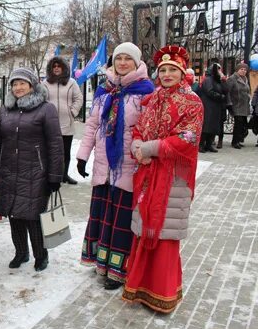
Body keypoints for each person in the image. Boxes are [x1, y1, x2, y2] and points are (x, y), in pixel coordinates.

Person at [122, 45, 203, 313]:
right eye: (163, 70)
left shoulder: (193, 102)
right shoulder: (152, 99)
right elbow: (138, 130)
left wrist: (150, 148)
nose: (167, 74)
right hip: (147, 174)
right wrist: (136, 147)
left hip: (173, 178)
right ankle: (139, 287)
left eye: (173, 70)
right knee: (143, 228)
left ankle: (163, 293)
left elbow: (188, 139)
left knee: (165, 233)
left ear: (183, 73)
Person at [76, 42, 155, 290]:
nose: (122, 63)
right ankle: (102, 262)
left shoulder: (146, 91)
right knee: (102, 214)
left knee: (121, 219)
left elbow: (148, 129)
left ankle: (118, 270)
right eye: (118, 58)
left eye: (127, 59)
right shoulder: (104, 90)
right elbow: (92, 126)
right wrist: (82, 155)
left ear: (137, 63)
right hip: (103, 165)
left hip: (129, 165)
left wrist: (143, 156)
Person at [0, 68, 64, 271]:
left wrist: (55, 176)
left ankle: (41, 255)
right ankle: (21, 252)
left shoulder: (46, 109)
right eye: (14, 84)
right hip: (9, 171)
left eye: (22, 83)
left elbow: (55, 144)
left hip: (36, 173)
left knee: (33, 216)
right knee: (14, 214)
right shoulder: (5, 109)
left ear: (32, 85)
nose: (18, 87)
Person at [44, 56, 83, 185]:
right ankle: (50, 175)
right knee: (50, 151)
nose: (56, 68)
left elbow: (78, 99)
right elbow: (40, 99)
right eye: (54, 66)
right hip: (49, 124)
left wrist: (72, 112)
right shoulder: (45, 83)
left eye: (58, 66)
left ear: (64, 68)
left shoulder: (72, 83)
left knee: (65, 151)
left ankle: (64, 175)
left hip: (67, 123)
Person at [198, 63, 227, 152]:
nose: (220, 71)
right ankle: (202, 145)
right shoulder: (208, 80)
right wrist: (220, 96)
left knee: (213, 126)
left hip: (215, 107)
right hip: (208, 106)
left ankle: (209, 144)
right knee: (207, 126)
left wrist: (224, 81)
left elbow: (225, 90)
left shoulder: (217, 80)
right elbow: (209, 91)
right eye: (218, 70)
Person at [226, 63, 251, 149]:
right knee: (238, 124)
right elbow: (227, 92)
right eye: (242, 69)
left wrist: (248, 97)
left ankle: (239, 140)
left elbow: (247, 91)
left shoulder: (245, 79)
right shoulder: (232, 79)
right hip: (236, 104)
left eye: (245, 70)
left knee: (243, 124)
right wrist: (229, 103)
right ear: (237, 70)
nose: (243, 71)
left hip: (244, 105)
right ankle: (235, 142)